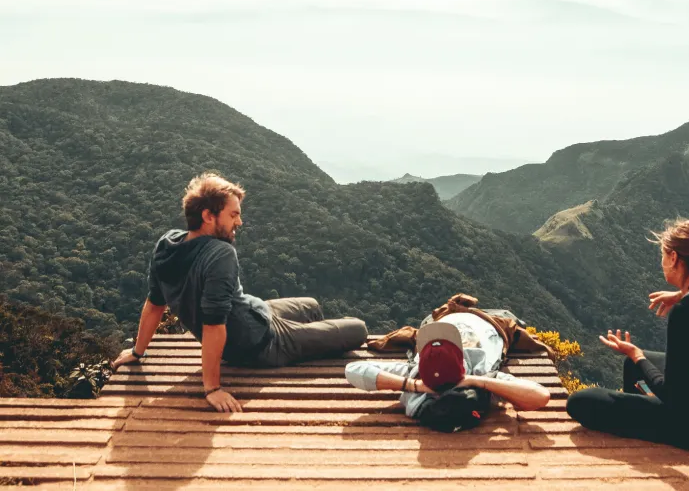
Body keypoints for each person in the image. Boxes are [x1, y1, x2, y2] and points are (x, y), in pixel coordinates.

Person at [110, 173, 369, 412]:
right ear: (208, 216)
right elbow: (213, 324)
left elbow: (155, 303)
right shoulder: (220, 253)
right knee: (359, 329)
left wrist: (137, 351)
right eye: (233, 215)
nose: (240, 222)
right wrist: (212, 388)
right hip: (260, 343)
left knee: (311, 305)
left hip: (254, 312)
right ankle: (309, 340)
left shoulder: (167, 244)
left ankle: (314, 337)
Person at [566, 218, 689, 452]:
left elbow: (673, 395)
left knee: (580, 401)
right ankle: (646, 414)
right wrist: (682, 293)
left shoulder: (686, 312)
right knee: (632, 365)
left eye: (663, 255)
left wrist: (637, 354)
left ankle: (653, 422)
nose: (661, 262)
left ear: (674, 258)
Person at [345, 310, 551, 423]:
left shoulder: (415, 375)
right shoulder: (481, 373)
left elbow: (352, 370)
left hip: (439, 318)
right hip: (490, 320)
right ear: (462, 358)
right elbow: (540, 397)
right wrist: (475, 380)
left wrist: (414, 385)